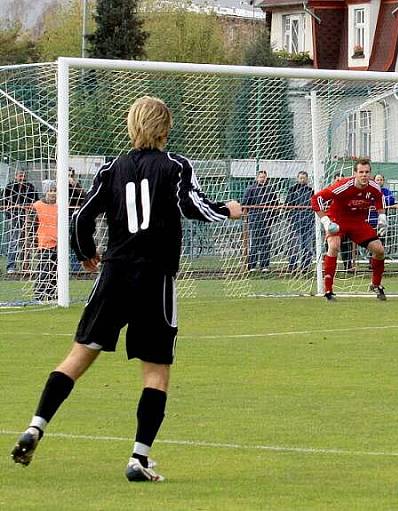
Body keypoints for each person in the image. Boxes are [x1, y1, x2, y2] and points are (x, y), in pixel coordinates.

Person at [10, 95, 242, 482]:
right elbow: (193, 206)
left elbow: (83, 215)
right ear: (165, 128)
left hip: (114, 274)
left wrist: (86, 252)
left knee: (79, 356)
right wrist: (227, 210)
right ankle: (139, 458)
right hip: (155, 278)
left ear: (131, 126)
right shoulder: (176, 166)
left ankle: (36, 425)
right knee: (156, 373)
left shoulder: (111, 168)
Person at [311, 157, 387, 301]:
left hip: (357, 222)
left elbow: (379, 199)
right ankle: (328, 290)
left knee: (379, 250)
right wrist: (326, 221)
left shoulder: (374, 186)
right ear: (355, 173)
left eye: (367, 172)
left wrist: (382, 218)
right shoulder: (343, 185)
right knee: (333, 246)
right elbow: (316, 199)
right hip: (337, 219)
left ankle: (376, 284)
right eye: (361, 172)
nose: (364, 175)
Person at [242, 169, 279, 272]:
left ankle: (264, 265)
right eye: (261, 177)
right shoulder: (251, 189)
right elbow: (245, 204)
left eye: (264, 177)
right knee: (254, 242)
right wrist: (247, 217)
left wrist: (273, 218)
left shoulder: (270, 190)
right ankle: (252, 265)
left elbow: (275, 204)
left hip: (267, 219)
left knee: (266, 242)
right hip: (254, 218)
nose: (263, 179)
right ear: (257, 178)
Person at [3, 169, 38, 273]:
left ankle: (25, 266)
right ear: (15, 176)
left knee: (27, 242)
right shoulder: (10, 187)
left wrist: (29, 208)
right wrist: (12, 210)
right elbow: (4, 201)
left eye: (23, 176)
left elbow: (35, 200)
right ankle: (11, 266)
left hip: (27, 217)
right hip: (14, 217)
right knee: (14, 241)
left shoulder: (30, 187)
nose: (22, 178)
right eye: (20, 176)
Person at [31, 182, 58, 301]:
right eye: (50, 190)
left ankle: (52, 293)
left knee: (55, 270)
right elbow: (31, 225)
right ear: (45, 192)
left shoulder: (60, 206)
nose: (52, 193)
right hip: (44, 243)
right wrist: (32, 241)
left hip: (58, 244)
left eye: (54, 190)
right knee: (44, 269)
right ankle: (40, 293)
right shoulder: (37, 206)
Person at [285, 170, 315, 273]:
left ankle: (305, 267)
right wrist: (290, 217)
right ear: (297, 178)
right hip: (295, 222)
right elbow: (288, 204)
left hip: (308, 222)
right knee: (294, 245)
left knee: (307, 246)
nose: (302, 180)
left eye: (304, 178)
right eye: (300, 178)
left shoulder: (311, 191)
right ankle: (292, 266)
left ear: (307, 179)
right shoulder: (292, 190)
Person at [68, 168, 87, 272]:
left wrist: (75, 185)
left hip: (73, 214)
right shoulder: (57, 185)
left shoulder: (76, 184)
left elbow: (84, 196)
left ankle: (75, 268)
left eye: (71, 174)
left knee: (74, 240)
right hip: (60, 216)